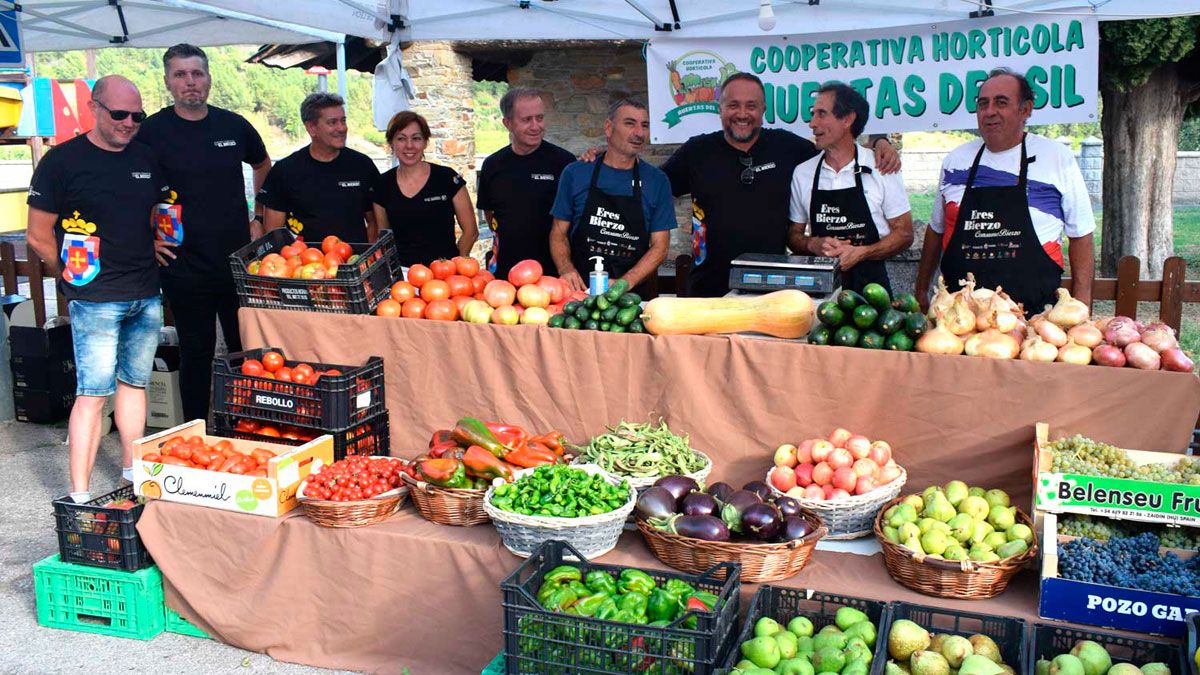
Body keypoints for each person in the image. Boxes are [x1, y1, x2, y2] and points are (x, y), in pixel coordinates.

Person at [25, 76, 169, 502]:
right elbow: (37, 235)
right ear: (94, 107)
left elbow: (154, 213)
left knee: (134, 384)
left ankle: (131, 473)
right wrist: (67, 276)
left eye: (137, 116)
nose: (129, 123)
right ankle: (82, 495)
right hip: (96, 298)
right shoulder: (61, 162)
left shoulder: (146, 157)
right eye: (119, 114)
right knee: (92, 394)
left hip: (145, 292)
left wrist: (158, 238)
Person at [661, 72, 901, 297]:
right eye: (733, 105)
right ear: (720, 108)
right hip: (708, 288)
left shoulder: (788, 148)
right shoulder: (696, 151)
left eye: (751, 106)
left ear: (763, 110)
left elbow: (839, 149)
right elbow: (655, 190)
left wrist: (880, 142)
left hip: (772, 291)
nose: (742, 113)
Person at [137, 43, 271, 423]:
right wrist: (148, 235)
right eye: (180, 75)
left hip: (235, 259)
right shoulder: (152, 131)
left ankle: (248, 424)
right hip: (182, 262)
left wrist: (257, 215)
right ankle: (196, 429)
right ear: (168, 82)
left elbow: (263, 165)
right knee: (197, 351)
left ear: (209, 78)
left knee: (245, 349)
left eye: (197, 74)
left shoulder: (233, 125)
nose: (190, 82)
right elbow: (133, 186)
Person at [915, 67, 1095, 315]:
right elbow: (936, 230)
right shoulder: (956, 161)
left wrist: (1082, 303)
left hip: (1035, 318)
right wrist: (921, 288)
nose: (989, 112)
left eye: (1001, 102)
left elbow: (1081, 234)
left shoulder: (1056, 158)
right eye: (983, 104)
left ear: (1026, 109)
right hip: (960, 320)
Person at [787, 83, 913, 295]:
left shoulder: (881, 166)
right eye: (813, 114)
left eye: (821, 114)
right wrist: (813, 244)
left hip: (873, 295)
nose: (812, 123)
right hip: (820, 292)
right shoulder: (803, 172)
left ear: (847, 119)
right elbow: (793, 235)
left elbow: (904, 234)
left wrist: (862, 253)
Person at [550, 99, 676, 294]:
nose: (639, 133)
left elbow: (660, 247)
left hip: (632, 298)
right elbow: (558, 233)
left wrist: (624, 283)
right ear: (609, 128)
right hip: (578, 292)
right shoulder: (575, 173)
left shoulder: (657, 180)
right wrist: (566, 270)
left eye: (645, 125)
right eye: (629, 123)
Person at [477, 87, 575, 278]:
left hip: (554, 274)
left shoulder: (565, 163)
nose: (535, 126)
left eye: (539, 118)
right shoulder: (492, 165)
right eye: (526, 119)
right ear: (507, 123)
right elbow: (490, 216)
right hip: (507, 272)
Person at [258, 93, 379, 243]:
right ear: (311, 128)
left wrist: (366, 259)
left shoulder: (362, 165)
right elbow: (273, 234)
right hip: (303, 264)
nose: (342, 128)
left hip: (355, 262)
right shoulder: (284, 171)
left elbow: (375, 223)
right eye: (332, 122)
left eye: (343, 120)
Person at [371, 111, 477, 266]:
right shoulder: (382, 185)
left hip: (445, 276)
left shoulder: (447, 178)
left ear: (425, 142)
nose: (409, 145)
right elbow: (384, 239)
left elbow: (471, 231)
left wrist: (456, 264)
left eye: (416, 138)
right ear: (391, 143)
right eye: (401, 138)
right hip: (403, 279)